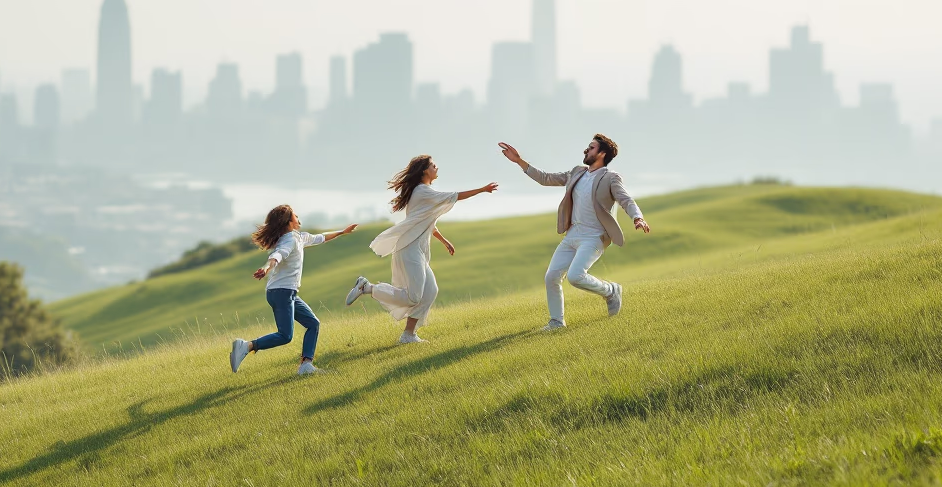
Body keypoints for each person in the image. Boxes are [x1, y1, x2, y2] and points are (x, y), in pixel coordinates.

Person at [498, 134, 650, 330]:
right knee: (551, 276)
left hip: (594, 237)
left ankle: (611, 290)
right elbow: (545, 179)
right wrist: (519, 161)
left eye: (591, 147)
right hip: (572, 235)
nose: (586, 150)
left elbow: (626, 200)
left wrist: (637, 217)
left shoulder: (610, 177)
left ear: (602, 153)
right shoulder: (577, 172)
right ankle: (557, 322)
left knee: (576, 276)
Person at [345, 155, 496, 343]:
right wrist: (482, 190)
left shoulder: (424, 193)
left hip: (418, 250)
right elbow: (454, 196)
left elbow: (427, 222)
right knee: (414, 296)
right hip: (409, 249)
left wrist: (444, 240)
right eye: (433, 165)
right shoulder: (423, 191)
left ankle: (408, 335)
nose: (436, 167)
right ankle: (368, 288)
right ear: (425, 170)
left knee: (430, 291)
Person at [229, 205, 358, 375]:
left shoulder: (299, 237)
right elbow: (277, 255)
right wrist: (266, 267)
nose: (298, 217)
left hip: (286, 293)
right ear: (289, 222)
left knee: (313, 324)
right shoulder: (289, 240)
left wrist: (342, 231)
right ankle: (246, 346)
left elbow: (321, 237)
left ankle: (306, 365)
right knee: (285, 335)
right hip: (281, 292)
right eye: (295, 215)